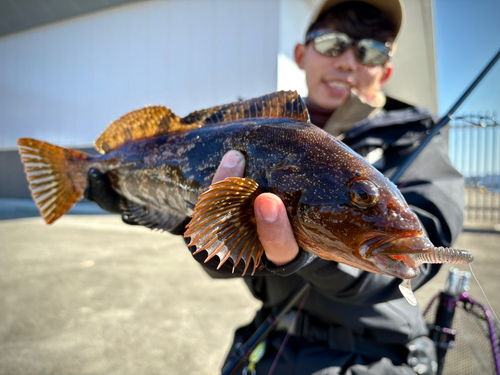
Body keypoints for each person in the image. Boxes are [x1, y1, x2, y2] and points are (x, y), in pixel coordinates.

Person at [85, 0, 464, 373]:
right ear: (301, 54)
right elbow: (222, 258)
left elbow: (425, 238)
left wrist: (306, 254)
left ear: (386, 70)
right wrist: (174, 215)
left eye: (370, 50)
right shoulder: (275, 127)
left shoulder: (418, 141)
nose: (348, 61)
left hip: (377, 357)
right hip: (271, 346)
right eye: (332, 43)